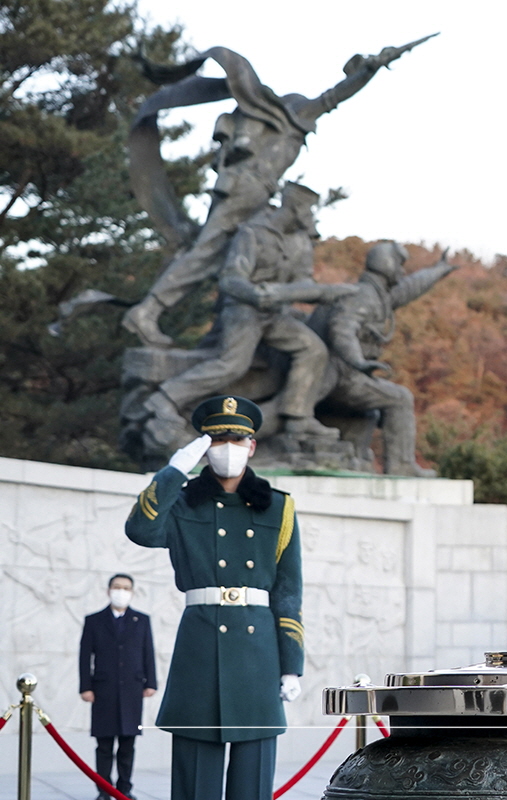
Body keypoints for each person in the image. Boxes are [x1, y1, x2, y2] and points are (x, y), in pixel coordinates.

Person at [123, 38, 436, 347]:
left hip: (249, 192)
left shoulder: (270, 129)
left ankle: (232, 327)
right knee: (206, 253)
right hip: (249, 189)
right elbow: (333, 97)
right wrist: (370, 70)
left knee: (236, 255)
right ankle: (148, 311)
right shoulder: (291, 123)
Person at [126, 395, 304, 800]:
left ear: (252, 446)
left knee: (252, 785)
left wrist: (291, 664)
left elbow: (289, 592)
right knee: (193, 785)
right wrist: (172, 473)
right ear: (205, 448)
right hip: (200, 648)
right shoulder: (183, 499)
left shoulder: (278, 507)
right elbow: (140, 530)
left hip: (258, 655)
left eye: (237, 440)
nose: (229, 449)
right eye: (218, 440)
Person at [143, 182, 354, 443]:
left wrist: (322, 293)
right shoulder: (253, 233)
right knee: (232, 364)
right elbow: (231, 279)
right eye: (308, 210)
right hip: (242, 311)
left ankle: (297, 417)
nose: (310, 217)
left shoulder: (300, 242)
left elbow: (304, 281)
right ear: (296, 208)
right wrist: (255, 294)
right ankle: (164, 398)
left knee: (313, 349)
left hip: (275, 315)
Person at [307, 241, 457, 475]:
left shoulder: (376, 295)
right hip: (342, 375)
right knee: (400, 399)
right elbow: (342, 329)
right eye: (399, 265)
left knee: (372, 411)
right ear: (386, 265)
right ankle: (402, 464)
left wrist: (438, 270)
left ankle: (360, 457)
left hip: (342, 373)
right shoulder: (364, 296)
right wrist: (358, 361)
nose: (402, 271)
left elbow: (409, 288)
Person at [79, 573, 157, 800]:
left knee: (127, 745)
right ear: (108, 590)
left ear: (132, 592)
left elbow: (148, 652)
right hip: (103, 690)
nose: (121, 591)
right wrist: (86, 686)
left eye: (125, 588)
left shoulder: (141, 620)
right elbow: (85, 656)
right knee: (104, 746)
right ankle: (104, 790)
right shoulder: (94, 620)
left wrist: (150, 682)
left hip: (132, 690)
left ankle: (125, 789)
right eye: (116, 587)